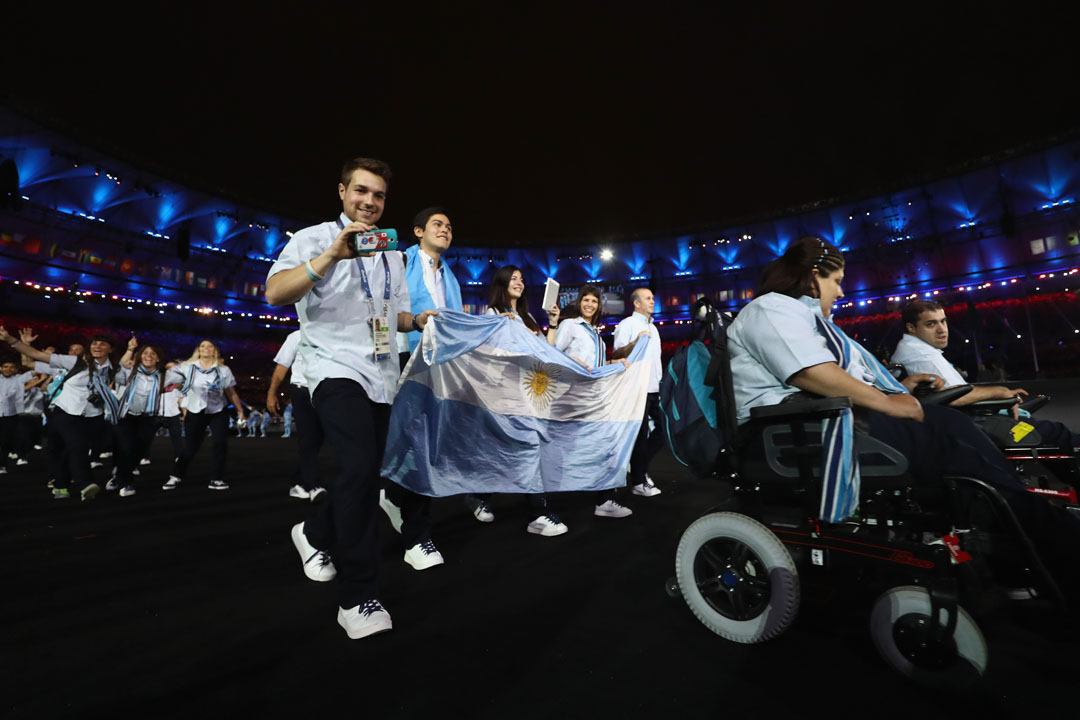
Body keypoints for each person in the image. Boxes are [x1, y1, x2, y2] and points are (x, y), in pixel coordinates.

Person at [725, 235, 1080, 597]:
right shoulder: (770, 309)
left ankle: (1024, 543)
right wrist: (889, 402)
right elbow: (810, 372)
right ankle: (1049, 541)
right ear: (814, 277)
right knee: (957, 446)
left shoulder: (799, 316)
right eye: (837, 282)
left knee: (958, 438)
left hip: (815, 419)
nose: (842, 292)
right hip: (792, 431)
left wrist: (901, 389)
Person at [265, 156, 440, 640]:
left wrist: (418, 321)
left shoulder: (389, 253)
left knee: (370, 475)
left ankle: (315, 532)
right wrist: (331, 257)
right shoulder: (314, 238)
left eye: (379, 195)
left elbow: (395, 315)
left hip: (382, 374)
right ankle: (358, 595)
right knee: (360, 467)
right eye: (361, 191)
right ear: (341, 192)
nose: (369, 202)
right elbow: (275, 292)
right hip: (332, 369)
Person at [891, 300, 1080, 450]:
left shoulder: (913, 349)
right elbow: (953, 397)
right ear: (911, 328)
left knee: (1049, 434)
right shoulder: (923, 356)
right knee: (1058, 434)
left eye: (943, 321)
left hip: (977, 418)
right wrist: (1000, 392)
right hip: (978, 423)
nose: (941, 329)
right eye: (931, 324)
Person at [467, 265, 566, 534]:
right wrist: (507, 329)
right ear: (501, 283)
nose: (519, 283)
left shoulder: (528, 317)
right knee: (506, 449)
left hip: (531, 393)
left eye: (521, 279)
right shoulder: (494, 314)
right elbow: (490, 354)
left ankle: (532, 509)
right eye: (513, 278)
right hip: (505, 394)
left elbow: (548, 351)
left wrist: (553, 323)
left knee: (528, 448)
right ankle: (530, 508)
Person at [1, 327, 118, 500]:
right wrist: (11, 339)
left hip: (92, 415)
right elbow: (35, 357)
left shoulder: (113, 368)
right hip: (65, 411)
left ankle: (60, 485)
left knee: (69, 449)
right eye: (94, 343)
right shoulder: (73, 362)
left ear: (111, 349)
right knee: (77, 446)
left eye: (102, 343)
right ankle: (84, 483)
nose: (97, 346)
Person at [555, 284, 633, 519]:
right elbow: (552, 355)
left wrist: (614, 365)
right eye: (586, 300)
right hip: (573, 397)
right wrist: (574, 362)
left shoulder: (595, 332)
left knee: (605, 446)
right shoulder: (569, 325)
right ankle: (490, 494)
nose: (590, 304)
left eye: (594, 301)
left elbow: (595, 367)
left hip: (594, 397)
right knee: (552, 446)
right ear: (579, 302)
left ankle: (605, 499)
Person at [164, 339, 245, 491]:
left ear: (215, 351)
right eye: (203, 346)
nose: (206, 348)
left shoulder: (223, 370)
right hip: (196, 410)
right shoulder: (188, 367)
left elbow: (230, 392)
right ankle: (176, 475)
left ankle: (216, 478)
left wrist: (240, 411)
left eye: (210, 346)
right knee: (191, 447)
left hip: (218, 410)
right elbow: (169, 377)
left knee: (220, 444)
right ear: (198, 350)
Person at [110, 337, 181, 497]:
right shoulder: (130, 372)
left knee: (139, 452)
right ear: (140, 355)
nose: (149, 355)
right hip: (126, 416)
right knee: (126, 448)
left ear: (158, 358)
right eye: (145, 353)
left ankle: (118, 475)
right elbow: (116, 370)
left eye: (153, 353)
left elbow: (186, 375)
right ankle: (126, 483)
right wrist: (129, 350)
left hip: (148, 419)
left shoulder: (165, 376)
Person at [611, 287, 664, 497]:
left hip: (654, 387)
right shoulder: (627, 324)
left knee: (663, 431)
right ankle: (639, 482)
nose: (652, 301)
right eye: (648, 298)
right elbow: (617, 353)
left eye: (653, 297)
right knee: (640, 435)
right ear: (636, 303)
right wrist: (635, 342)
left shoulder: (654, 327)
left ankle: (637, 467)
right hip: (636, 387)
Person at [267, 330, 325, 501]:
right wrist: (271, 393)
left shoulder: (332, 333)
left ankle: (298, 482)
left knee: (319, 439)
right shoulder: (296, 337)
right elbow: (281, 368)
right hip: (302, 390)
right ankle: (314, 485)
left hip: (326, 391)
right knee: (308, 438)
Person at [0, 358, 32, 474]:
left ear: (16, 369)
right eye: (5, 366)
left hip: (10, 414)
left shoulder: (19, 379)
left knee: (5, 440)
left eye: (11, 367)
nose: (8, 369)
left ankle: (2, 464)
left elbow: (34, 372)